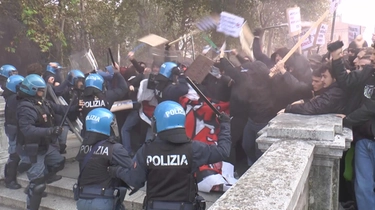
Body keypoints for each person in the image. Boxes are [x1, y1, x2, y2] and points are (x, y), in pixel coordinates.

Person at [109, 100, 231, 210]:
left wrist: (116, 170)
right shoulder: (193, 148)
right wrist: (225, 124)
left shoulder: (147, 150)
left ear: (158, 123)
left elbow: (136, 181)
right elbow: (223, 151)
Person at [16, 74, 81, 210]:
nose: (43, 92)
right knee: (38, 186)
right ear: (32, 90)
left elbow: (58, 108)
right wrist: (50, 131)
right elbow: (28, 130)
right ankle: (33, 192)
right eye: (40, 90)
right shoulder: (25, 108)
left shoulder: (41, 102)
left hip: (45, 145)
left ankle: (37, 180)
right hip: (33, 149)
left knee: (58, 162)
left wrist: (75, 107)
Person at [75, 108, 133, 210]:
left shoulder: (83, 147)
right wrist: (117, 171)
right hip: (103, 200)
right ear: (106, 126)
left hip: (82, 199)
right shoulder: (114, 148)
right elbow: (133, 169)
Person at [3, 75, 24, 189]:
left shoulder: (11, 96)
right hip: (14, 128)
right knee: (14, 154)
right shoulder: (14, 99)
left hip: (12, 127)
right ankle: (9, 179)